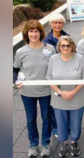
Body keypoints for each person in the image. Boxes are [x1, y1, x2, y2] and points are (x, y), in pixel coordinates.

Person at [13, 20, 56, 157]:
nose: (34, 34)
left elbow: (55, 68)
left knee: (46, 117)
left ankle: (45, 143)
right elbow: (14, 70)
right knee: (31, 119)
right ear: (26, 33)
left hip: (46, 90)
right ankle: (33, 144)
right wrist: (15, 82)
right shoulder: (21, 52)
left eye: (36, 31)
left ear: (40, 32)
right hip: (28, 92)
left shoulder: (49, 49)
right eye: (31, 31)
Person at [45, 36, 84, 157]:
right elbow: (48, 78)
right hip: (59, 98)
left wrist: (73, 92)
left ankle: (74, 142)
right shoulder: (53, 59)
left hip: (77, 97)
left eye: (68, 45)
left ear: (72, 46)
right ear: (59, 46)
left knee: (76, 122)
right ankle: (63, 142)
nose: (65, 48)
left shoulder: (79, 58)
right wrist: (60, 92)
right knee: (61, 122)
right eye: (63, 45)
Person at [43, 13, 69, 138]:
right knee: (53, 104)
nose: (57, 25)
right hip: (53, 75)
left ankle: (66, 125)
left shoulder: (67, 37)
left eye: (60, 22)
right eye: (55, 22)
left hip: (66, 75)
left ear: (63, 24)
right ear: (51, 24)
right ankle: (56, 127)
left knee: (66, 101)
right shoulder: (45, 41)